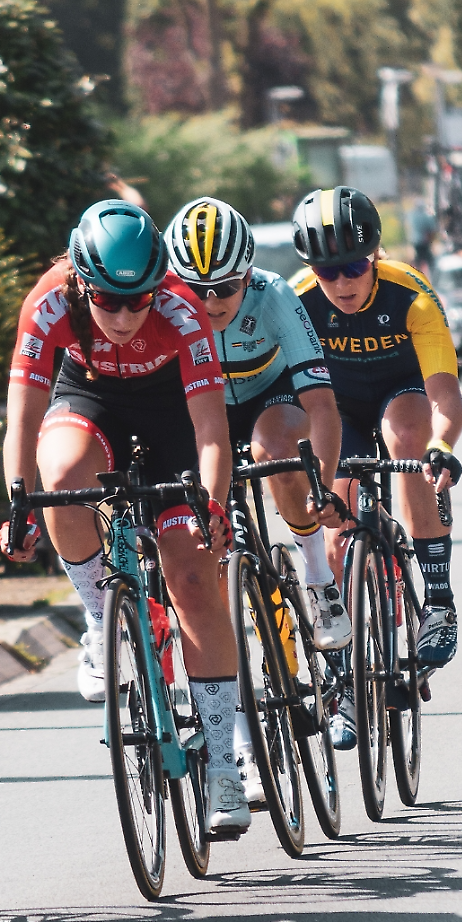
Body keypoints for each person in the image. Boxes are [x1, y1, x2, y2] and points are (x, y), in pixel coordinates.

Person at [0, 199, 250, 835]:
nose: (124, 315)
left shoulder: (178, 308)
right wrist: (18, 500)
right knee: (59, 480)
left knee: (192, 578)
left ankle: (222, 762)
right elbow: (22, 418)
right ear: (82, 281)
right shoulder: (49, 301)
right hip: (90, 397)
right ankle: (97, 613)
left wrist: (211, 506)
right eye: (108, 301)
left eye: (137, 301)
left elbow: (212, 432)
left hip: (172, 412)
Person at [292, 186, 462, 748]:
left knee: (408, 438)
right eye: (328, 269)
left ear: (375, 255)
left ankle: (437, 598)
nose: (342, 282)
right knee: (336, 524)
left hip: (402, 391)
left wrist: (444, 445)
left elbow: (444, 392)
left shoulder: (410, 293)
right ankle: (344, 682)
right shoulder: (298, 302)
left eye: (354, 266)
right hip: (336, 405)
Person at [163, 196, 348, 648]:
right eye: (195, 287)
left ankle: (318, 576)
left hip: (269, 394)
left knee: (278, 451)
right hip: (204, 407)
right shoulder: (162, 306)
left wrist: (321, 487)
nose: (210, 301)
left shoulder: (275, 296)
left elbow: (322, 405)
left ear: (248, 276)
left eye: (225, 286)